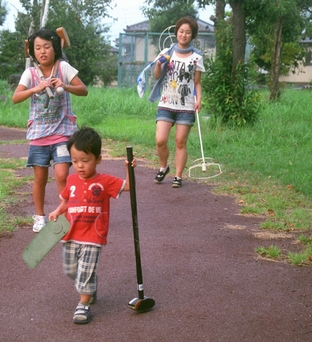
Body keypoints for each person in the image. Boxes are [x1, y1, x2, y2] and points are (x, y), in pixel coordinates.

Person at [48, 127, 136, 325]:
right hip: (70, 234)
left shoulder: (105, 181)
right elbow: (65, 202)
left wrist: (128, 169)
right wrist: (57, 211)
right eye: (75, 161)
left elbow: (128, 186)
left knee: (85, 272)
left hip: (93, 236)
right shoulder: (70, 180)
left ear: (98, 159)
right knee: (71, 271)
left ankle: (83, 305)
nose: (79, 166)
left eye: (85, 161)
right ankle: (89, 286)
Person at [12, 28, 88, 232]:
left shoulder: (63, 67)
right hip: (38, 134)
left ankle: (65, 214)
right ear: (33, 51)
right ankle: (39, 216)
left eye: (47, 46)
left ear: (55, 48)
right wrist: (35, 89)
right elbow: (15, 97)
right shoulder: (30, 73)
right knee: (40, 177)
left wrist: (65, 85)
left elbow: (83, 90)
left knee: (62, 174)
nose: (42, 51)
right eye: (38, 48)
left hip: (63, 132)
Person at [150, 16, 205, 188]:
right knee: (160, 140)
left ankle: (178, 176)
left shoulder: (197, 57)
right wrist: (159, 64)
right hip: (166, 103)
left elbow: (196, 82)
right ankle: (163, 167)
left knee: (180, 141)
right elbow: (157, 75)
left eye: (188, 32)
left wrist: (199, 99)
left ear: (192, 35)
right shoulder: (167, 52)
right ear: (176, 33)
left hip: (186, 105)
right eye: (181, 31)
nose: (184, 35)